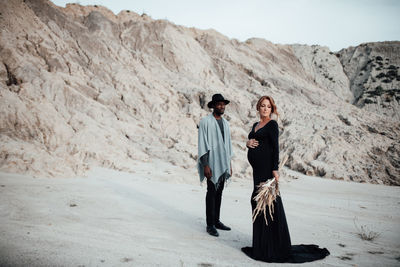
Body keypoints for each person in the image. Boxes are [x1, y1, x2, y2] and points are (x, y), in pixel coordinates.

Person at [241, 95, 329, 263]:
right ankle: (261, 244)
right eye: (262, 106)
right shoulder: (255, 125)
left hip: (267, 170)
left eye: (268, 106)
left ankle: (273, 246)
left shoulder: (272, 125)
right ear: (258, 108)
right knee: (257, 203)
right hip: (257, 172)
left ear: (271, 109)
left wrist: (275, 169)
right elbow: (252, 140)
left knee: (269, 204)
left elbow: (276, 148)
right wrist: (247, 143)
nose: (265, 108)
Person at [198, 93, 234, 237]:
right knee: (211, 192)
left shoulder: (225, 123)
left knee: (219, 192)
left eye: (223, 104)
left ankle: (217, 220)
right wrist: (205, 165)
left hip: (223, 162)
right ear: (213, 106)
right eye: (218, 104)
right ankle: (210, 224)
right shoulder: (205, 122)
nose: (222, 106)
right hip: (211, 162)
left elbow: (227, 146)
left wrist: (229, 164)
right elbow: (203, 144)